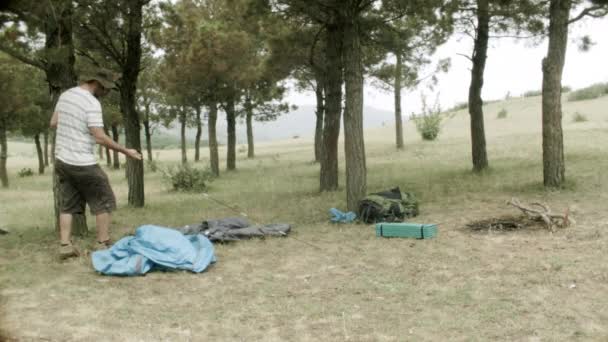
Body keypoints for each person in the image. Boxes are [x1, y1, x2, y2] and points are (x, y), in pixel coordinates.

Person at [50, 68, 142, 259]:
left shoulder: (66, 95)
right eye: (106, 89)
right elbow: (99, 137)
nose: (107, 93)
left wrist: (73, 128)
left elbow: (54, 122)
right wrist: (126, 151)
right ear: (98, 84)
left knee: (67, 204)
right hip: (83, 162)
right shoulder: (92, 103)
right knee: (104, 200)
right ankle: (103, 243)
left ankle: (65, 245)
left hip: (62, 160)